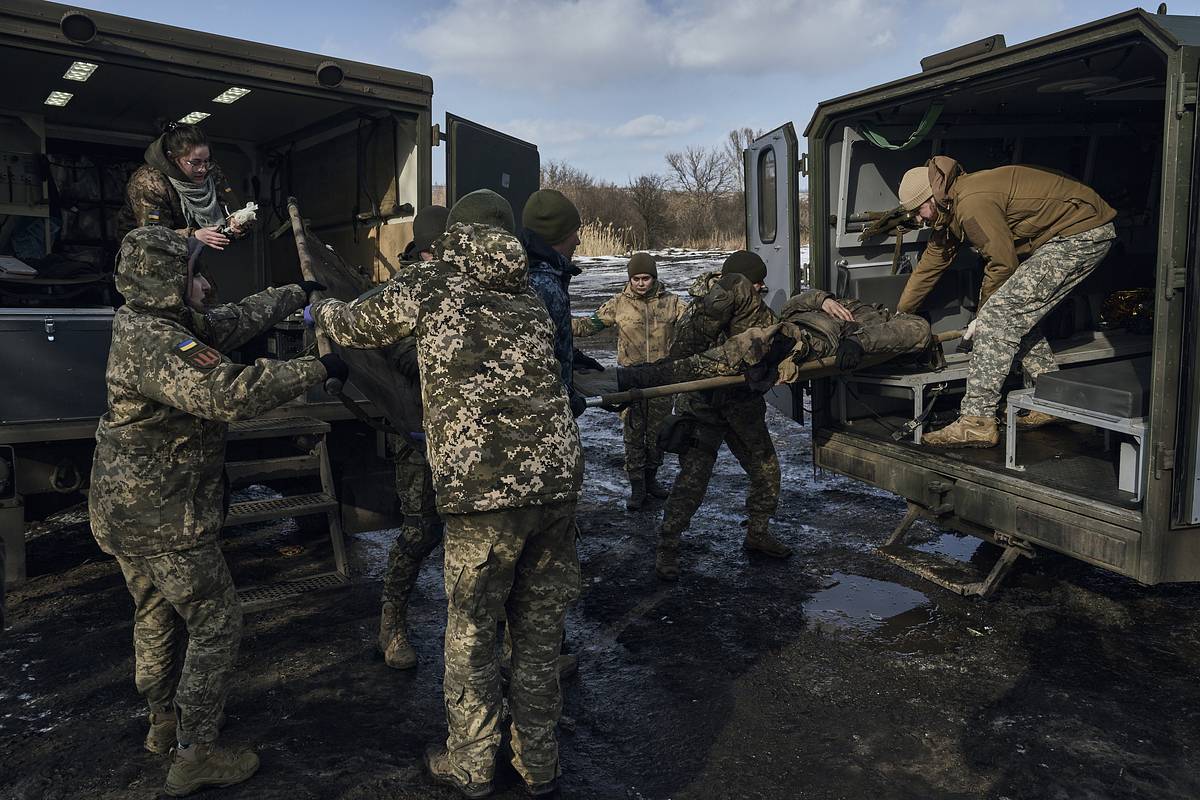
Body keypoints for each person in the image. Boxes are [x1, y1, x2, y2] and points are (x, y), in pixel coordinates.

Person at [310, 190, 582, 799]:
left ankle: (472, 763)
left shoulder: (433, 281)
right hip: (556, 486)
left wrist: (320, 311)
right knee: (538, 634)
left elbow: (358, 324)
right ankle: (538, 762)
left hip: (484, 494)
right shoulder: (531, 289)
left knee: (472, 631)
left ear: (455, 234)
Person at [88, 227, 341, 797]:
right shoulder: (157, 342)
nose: (205, 285)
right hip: (162, 516)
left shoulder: (157, 320)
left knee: (153, 614)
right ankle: (195, 752)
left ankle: (163, 726)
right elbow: (230, 394)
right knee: (216, 622)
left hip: (132, 514)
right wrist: (321, 367)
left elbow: (232, 320)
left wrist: (295, 293)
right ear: (166, 283)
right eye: (194, 275)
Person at [895, 156, 1117, 447]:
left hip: (1082, 234)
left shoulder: (971, 203)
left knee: (998, 316)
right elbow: (931, 263)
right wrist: (902, 312)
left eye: (918, 211)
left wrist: (983, 315)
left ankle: (976, 422)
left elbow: (1002, 264)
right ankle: (1049, 400)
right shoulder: (949, 208)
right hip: (1063, 235)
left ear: (931, 198)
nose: (918, 220)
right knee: (1014, 317)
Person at [653, 250, 790, 581]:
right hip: (703, 408)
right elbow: (682, 353)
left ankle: (758, 531)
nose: (761, 289)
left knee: (766, 469)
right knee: (692, 480)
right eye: (757, 283)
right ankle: (668, 546)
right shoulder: (701, 309)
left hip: (742, 408)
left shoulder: (757, 312)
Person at [379, 204, 448, 670]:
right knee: (420, 531)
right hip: (420, 432)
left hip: (467, 437)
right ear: (425, 251)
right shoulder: (398, 293)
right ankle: (392, 624)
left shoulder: (461, 291)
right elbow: (402, 353)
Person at [617, 288, 933, 389]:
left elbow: (917, 330)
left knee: (734, 354)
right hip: (784, 327)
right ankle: (651, 371)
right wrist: (821, 298)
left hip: (808, 341)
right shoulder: (849, 303)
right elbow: (791, 305)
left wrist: (859, 343)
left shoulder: (892, 322)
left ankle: (645, 375)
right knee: (734, 346)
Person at [572, 252, 687, 509]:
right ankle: (637, 487)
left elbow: (696, 324)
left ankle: (652, 480)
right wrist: (557, 325)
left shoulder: (672, 303)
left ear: (654, 278)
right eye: (636, 278)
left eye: (646, 278)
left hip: (661, 379)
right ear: (630, 279)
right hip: (629, 380)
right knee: (633, 434)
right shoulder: (618, 304)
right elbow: (587, 325)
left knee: (657, 433)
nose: (641, 283)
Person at [520, 188, 596, 415]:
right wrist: (567, 397)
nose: (579, 241)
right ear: (558, 236)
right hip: (543, 417)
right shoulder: (544, 286)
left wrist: (573, 357)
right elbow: (537, 363)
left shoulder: (534, 274)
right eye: (574, 232)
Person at [117, 122, 247, 250]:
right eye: (194, 162)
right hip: (143, 255)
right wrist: (193, 235)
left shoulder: (210, 172)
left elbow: (229, 210)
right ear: (172, 157)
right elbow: (152, 235)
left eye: (206, 161)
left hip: (187, 253)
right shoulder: (150, 183)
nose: (202, 169)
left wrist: (235, 224)